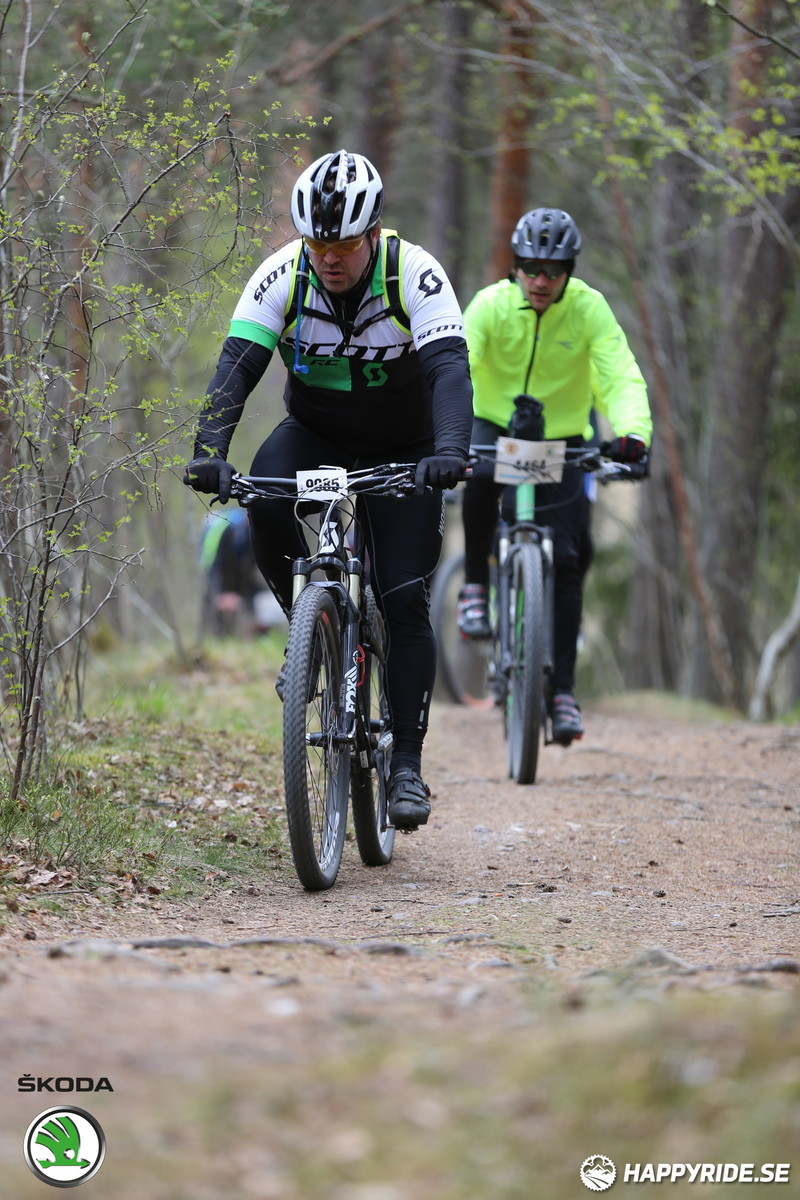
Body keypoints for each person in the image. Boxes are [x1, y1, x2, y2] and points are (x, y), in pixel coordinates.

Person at [184, 149, 472, 830]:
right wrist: (207, 454)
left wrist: (451, 452)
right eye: (317, 243)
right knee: (264, 496)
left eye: (342, 244)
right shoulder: (283, 276)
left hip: (409, 448)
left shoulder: (416, 275)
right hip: (317, 434)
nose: (329, 258)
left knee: (403, 595)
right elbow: (237, 368)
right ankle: (305, 634)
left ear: (372, 234)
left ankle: (406, 767)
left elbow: (450, 373)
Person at [458, 206, 652, 746]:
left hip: (564, 438)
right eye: (532, 268)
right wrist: (442, 431)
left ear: (569, 270)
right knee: (477, 481)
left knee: (569, 558)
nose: (542, 281)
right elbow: (458, 362)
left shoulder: (589, 310)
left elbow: (619, 373)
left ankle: (562, 691)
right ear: (516, 266)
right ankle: (476, 586)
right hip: (494, 426)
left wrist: (634, 434)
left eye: (554, 270)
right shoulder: (491, 306)